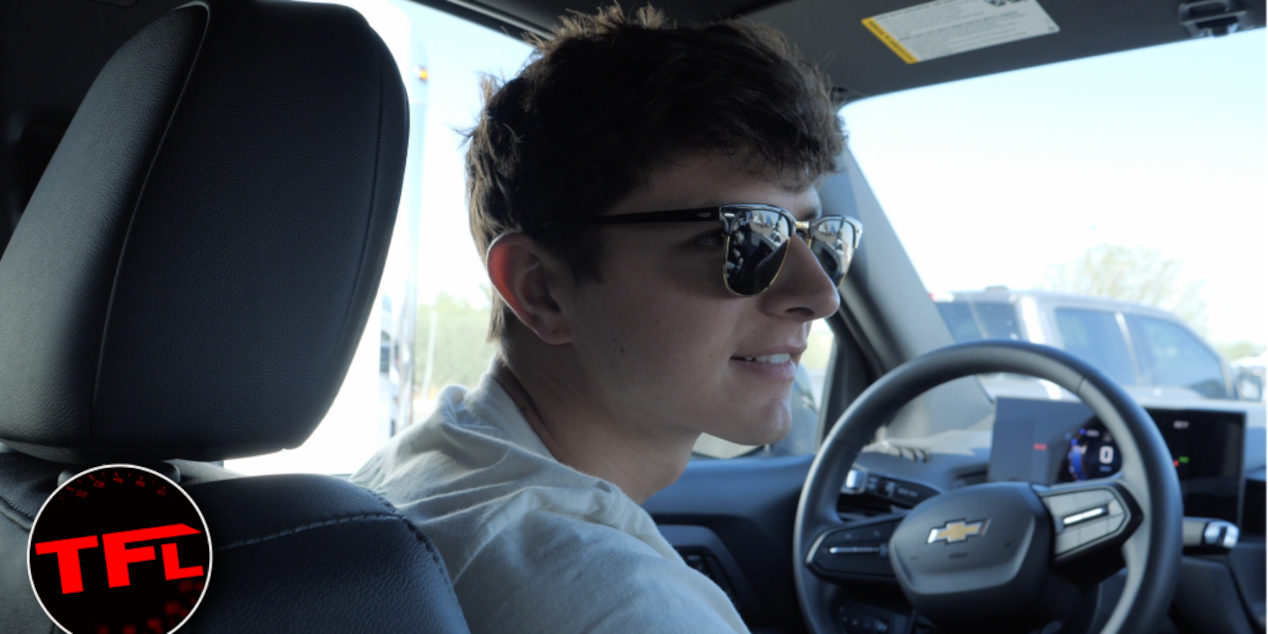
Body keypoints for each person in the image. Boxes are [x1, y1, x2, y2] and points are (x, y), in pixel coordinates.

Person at [352, 5, 857, 632]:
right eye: (740, 239)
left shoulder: (429, 466)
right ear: (542, 290)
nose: (820, 294)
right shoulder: (621, 605)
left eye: (815, 235)